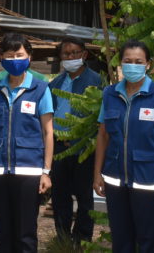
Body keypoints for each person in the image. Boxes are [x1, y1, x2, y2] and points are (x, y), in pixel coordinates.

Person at [93, 40, 154, 253]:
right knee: (121, 240)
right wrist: (97, 174)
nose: (133, 66)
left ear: (148, 64)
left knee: (149, 241)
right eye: (128, 61)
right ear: (120, 63)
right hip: (115, 181)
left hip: (149, 181)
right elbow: (103, 135)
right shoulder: (110, 94)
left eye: (138, 62)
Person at [0, 33, 55, 253]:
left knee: (25, 233)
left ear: (29, 57)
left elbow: (48, 132)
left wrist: (46, 172)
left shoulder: (40, 89)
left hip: (29, 171)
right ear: (1, 57)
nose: (15, 60)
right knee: (4, 232)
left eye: (19, 55)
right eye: (10, 56)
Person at [49, 36, 102, 246]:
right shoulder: (55, 83)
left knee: (84, 198)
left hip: (84, 149)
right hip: (59, 148)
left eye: (74, 53)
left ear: (84, 54)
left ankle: (82, 240)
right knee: (59, 196)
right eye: (66, 54)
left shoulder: (97, 82)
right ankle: (62, 239)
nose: (70, 57)